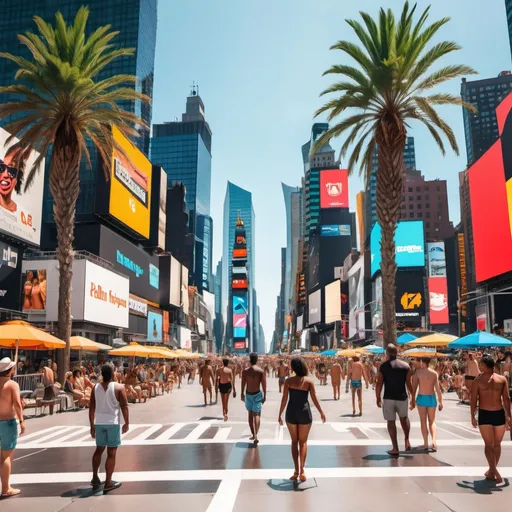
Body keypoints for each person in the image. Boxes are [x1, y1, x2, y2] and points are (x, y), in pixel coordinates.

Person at [278, 357, 326, 483]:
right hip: (304, 413)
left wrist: (280, 414)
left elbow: (284, 399)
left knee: (294, 442)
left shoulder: (288, 381)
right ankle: (302, 470)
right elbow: (314, 399)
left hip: (291, 413)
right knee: (303, 442)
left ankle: (295, 470)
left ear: (293, 368)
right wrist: (321, 412)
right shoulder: (308, 381)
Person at [471, 354, 511, 484]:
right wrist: (508, 415)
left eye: (481, 364)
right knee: (496, 445)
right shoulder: (502, 379)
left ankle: (493, 471)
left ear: (484, 365)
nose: (480, 366)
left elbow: (473, 399)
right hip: (498, 413)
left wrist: (472, 415)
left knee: (489, 445)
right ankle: (492, 471)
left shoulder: (478, 380)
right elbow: (506, 399)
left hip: (485, 414)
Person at [89, 364, 129, 492]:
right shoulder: (119, 387)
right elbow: (124, 406)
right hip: (113, 423)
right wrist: (127, 422)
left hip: (99, 423)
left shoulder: (95, 388)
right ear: (113, 374)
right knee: (111, 453)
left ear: (101, 374)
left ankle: (95, 477)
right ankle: (107, 483)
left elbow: (91, 408)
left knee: (98, 450)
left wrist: (92, 425)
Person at [376, 344, 414, 456]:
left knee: (391, 422)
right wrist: (412, 396)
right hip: (402, 397)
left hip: (388, 398)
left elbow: (379, 383)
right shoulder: (406, 366)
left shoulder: (383, 367)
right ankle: (407, 439)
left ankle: (395, 448)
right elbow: (408, 383)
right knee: (404, 418)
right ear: (397, 353)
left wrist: (378, 396)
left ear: (387, 354)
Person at [0, 358, 25, 498]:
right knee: (5, 456)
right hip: (8, 422)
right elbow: (16, 403)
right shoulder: (12, 384)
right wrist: (21, 420)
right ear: (9, 370)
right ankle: (5, 488)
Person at [412, 357, 443, 452]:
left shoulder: (418, 372)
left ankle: (425, 444)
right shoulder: (434, 373)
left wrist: (412, 399)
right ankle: (433, 442)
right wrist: (441, 402)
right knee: (432, 421)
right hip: (431, 398)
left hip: (421, 397)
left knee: (423, 421)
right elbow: (438, 389)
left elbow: (414, 387)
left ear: (422, 362)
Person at [241, 352, 267, 445]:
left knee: (250, 414)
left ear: (249, 359)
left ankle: (253, 434)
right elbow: (264, 384)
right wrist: (265, 395)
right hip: (257, 394)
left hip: (248, 394)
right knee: (256, 414)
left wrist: (241, 393)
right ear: (256, 360)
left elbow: (243, 383)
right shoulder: (260, 371)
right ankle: (256, 435)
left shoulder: (245, 371)